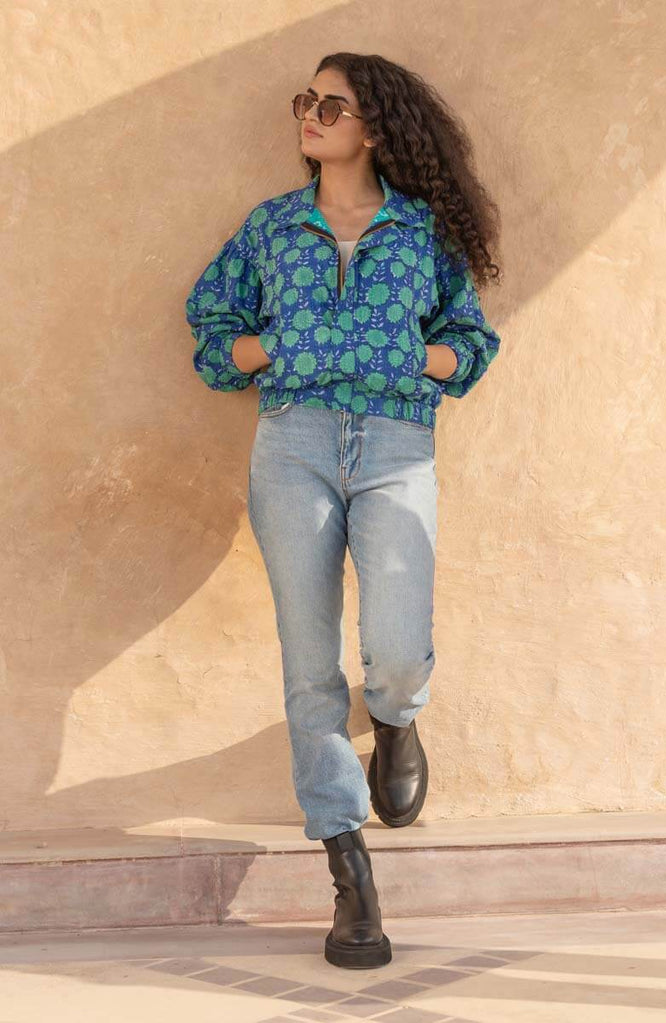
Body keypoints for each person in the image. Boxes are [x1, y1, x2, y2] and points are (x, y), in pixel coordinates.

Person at [185, 52, 503, 970]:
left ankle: (396, 716)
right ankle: (348, 866)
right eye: (307, 101)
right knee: (309, 663)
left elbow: (469, 341)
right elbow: (210, 329)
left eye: (332, 105)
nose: (311, 115)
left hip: (396, 443)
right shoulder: (272, 226)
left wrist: (411, 359)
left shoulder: (420, 231)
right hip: (292, 445)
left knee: (396, 642)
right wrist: (273, 346)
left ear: (374, 129)